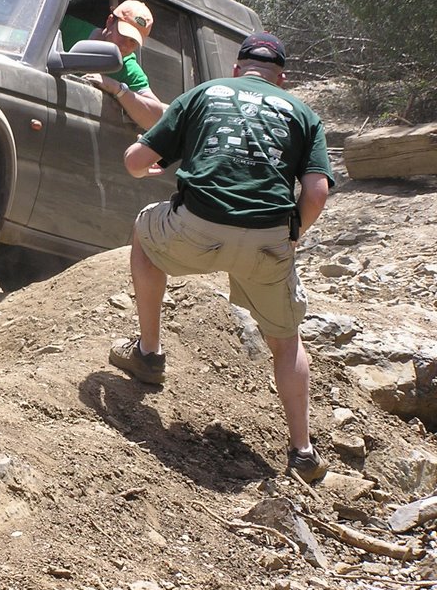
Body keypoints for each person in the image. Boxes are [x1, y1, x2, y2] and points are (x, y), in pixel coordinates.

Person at [108, 32, 333, 483]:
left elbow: (134, 161)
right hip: (268, 239)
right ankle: (303, 453)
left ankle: (149, 353)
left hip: (197, 227)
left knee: (144, 233)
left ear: (236, 69)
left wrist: (149, 160)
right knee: (286, 341)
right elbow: (316, 192)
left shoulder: (204, 93)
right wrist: (294, 235)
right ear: (281, 79)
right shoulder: (304, 114)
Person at [82, 0, 165, 130]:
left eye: (133, 41)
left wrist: (117, 88)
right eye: (123, 34)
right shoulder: (68, 27)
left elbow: (155, 118)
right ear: (110, 22)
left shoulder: (128, 68)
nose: (125, 46)